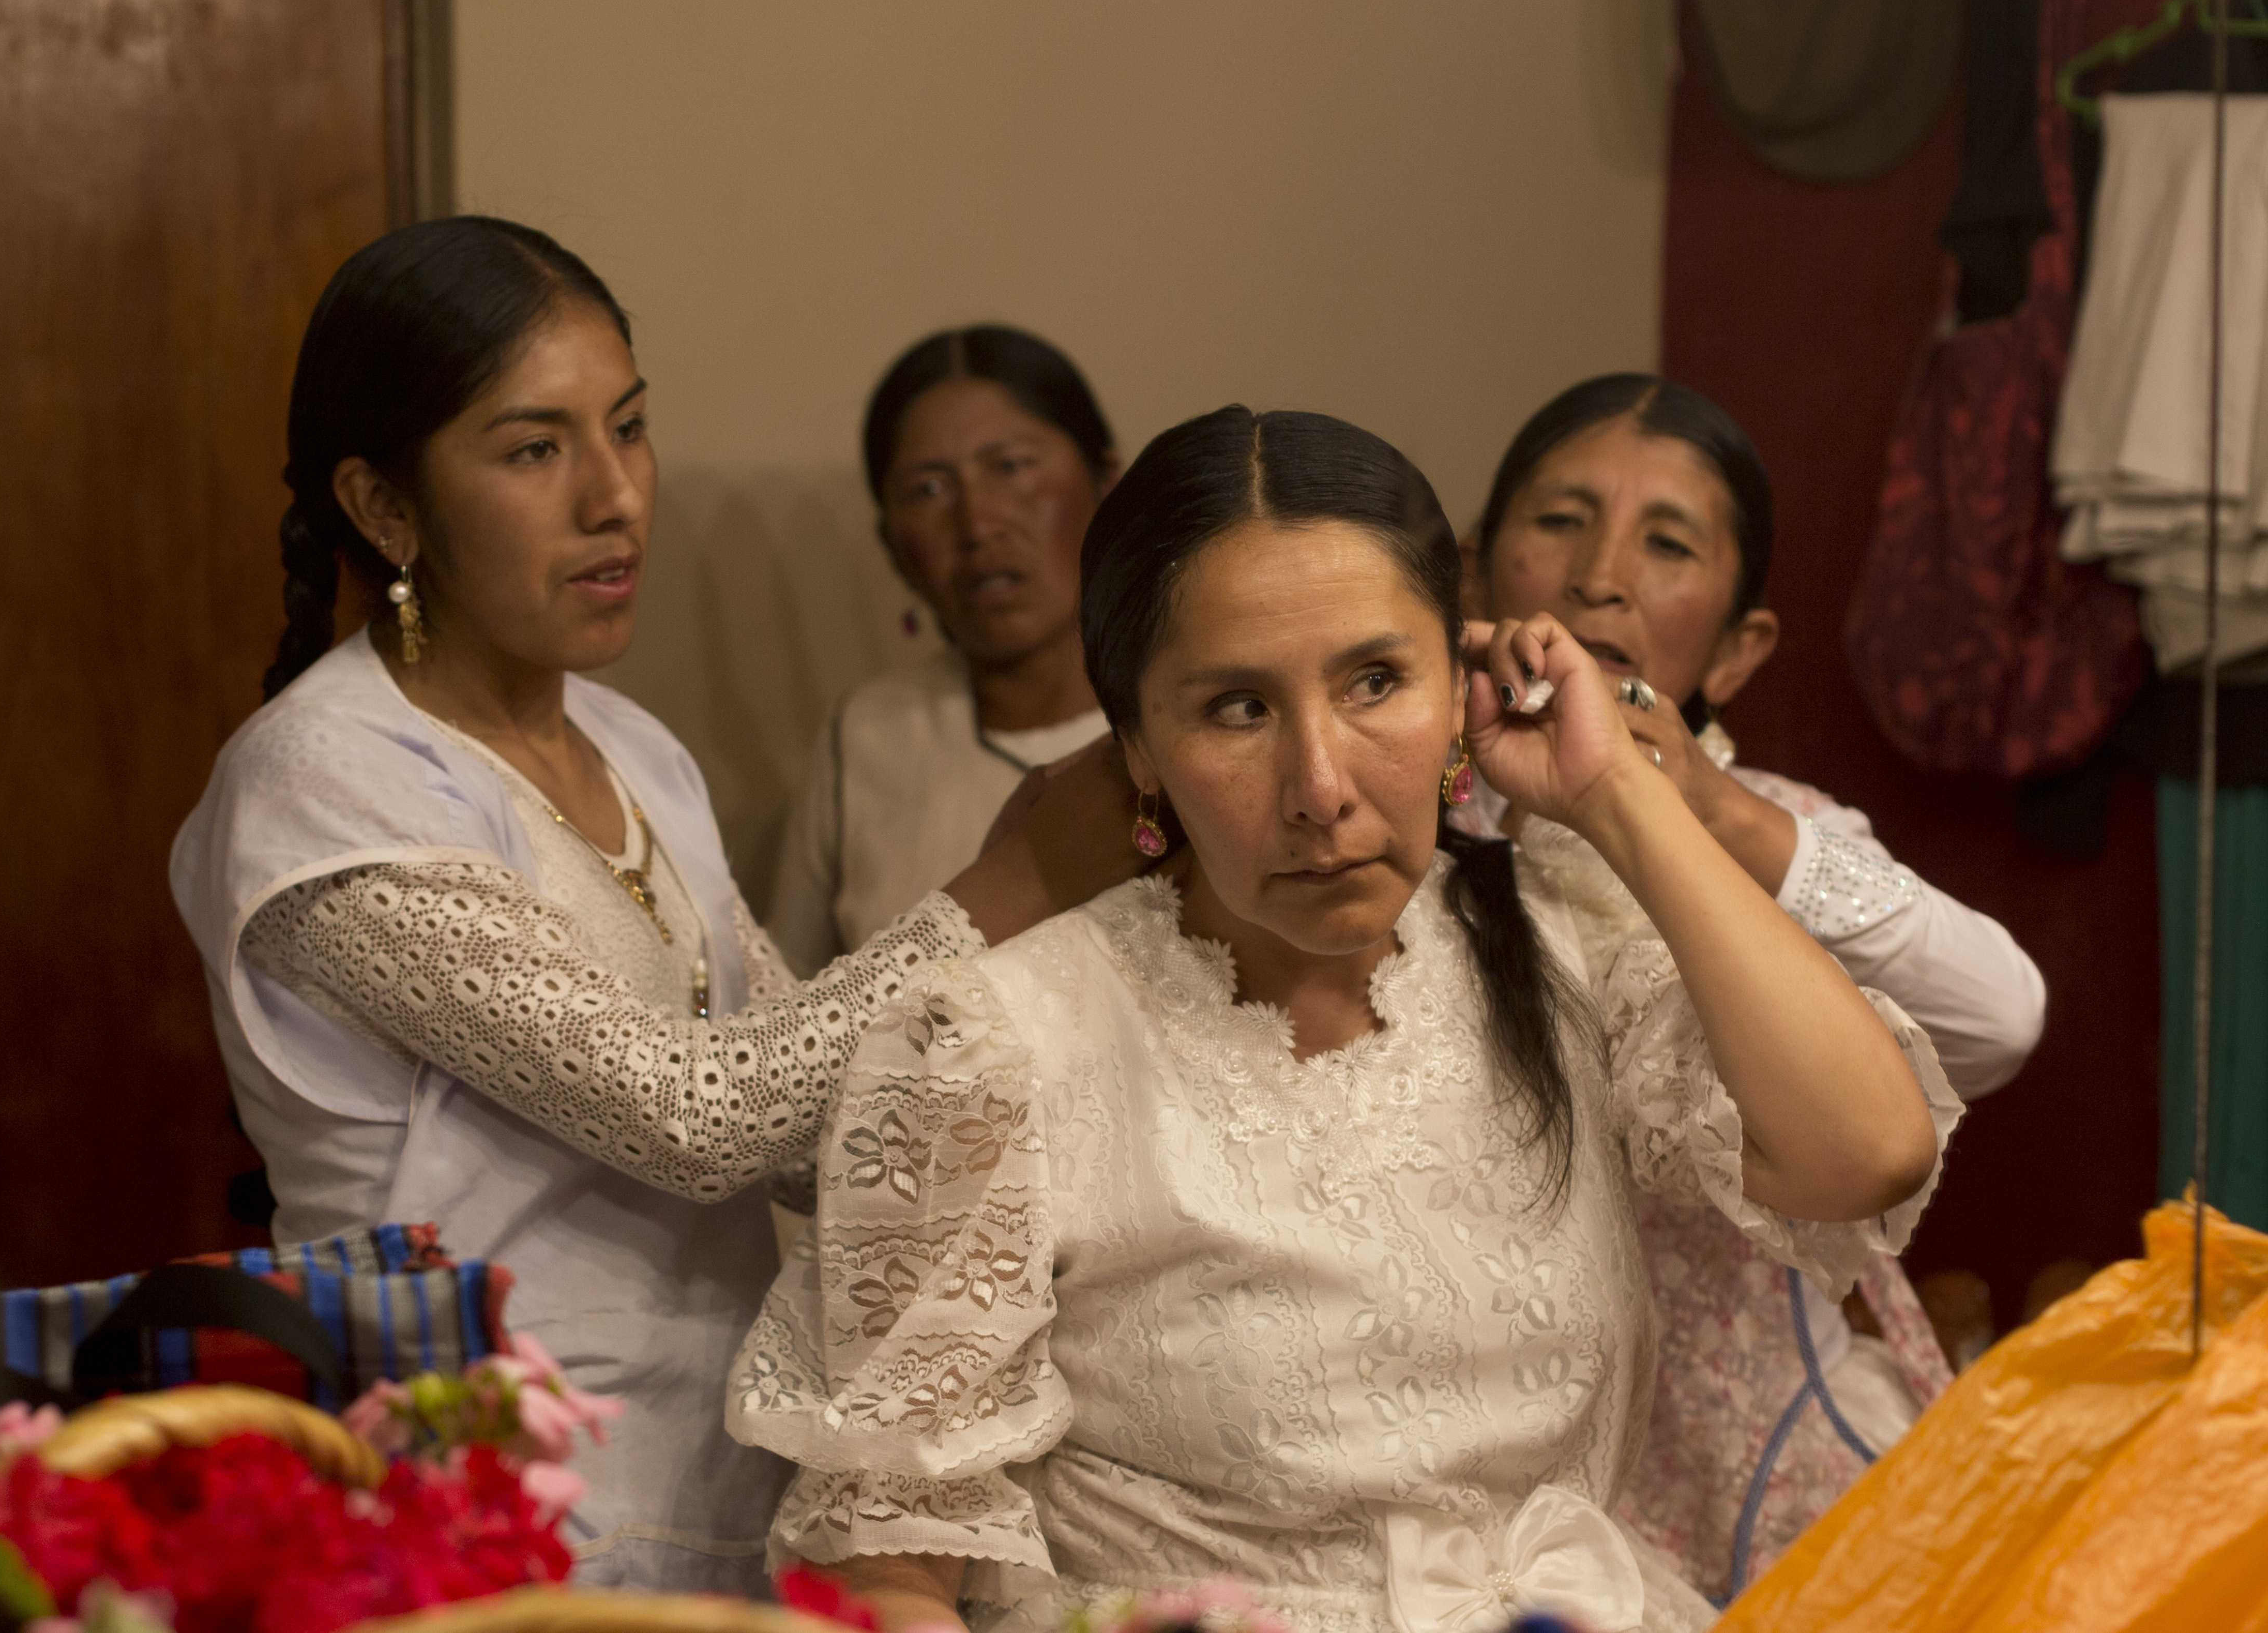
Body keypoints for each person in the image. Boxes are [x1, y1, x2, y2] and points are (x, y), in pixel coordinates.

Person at [728, 406, 1963, 1633]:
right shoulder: (987, 1043)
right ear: (1136, 749)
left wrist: (1611, 793)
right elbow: (885, 1564)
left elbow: (1864, 1151)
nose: (1319, 789)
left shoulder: (1557, 935)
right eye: (1235, 709)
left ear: (1461, 684)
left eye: (1377, 681)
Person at [170, 219, 1141, 1593]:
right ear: (386, 509)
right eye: (532, 449)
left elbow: (806, 1105)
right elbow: (702, 1115)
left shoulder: (634, 748)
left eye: (627, 428)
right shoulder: (320, 783)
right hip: (482, 1515)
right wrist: (1012, 883)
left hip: (717, 1481)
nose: (614, 495)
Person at [1462, 373, 2048, 1597]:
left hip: (1778, 1461)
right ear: (1477, 574)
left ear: (1738, 646)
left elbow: (1999, 1021)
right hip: (1504, 1486)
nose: (1598, 574)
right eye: (1560, 520)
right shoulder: (1392, 835)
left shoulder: (1789, 831)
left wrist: (1710, 811)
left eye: (1665, 541)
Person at [768, 326, 1118, 973]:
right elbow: (789, 1010)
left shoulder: (1189, 716)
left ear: (1106, 480)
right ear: (892, 546)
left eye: (1012, 467)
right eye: (929, 489)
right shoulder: (867, 735)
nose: (978, 525)